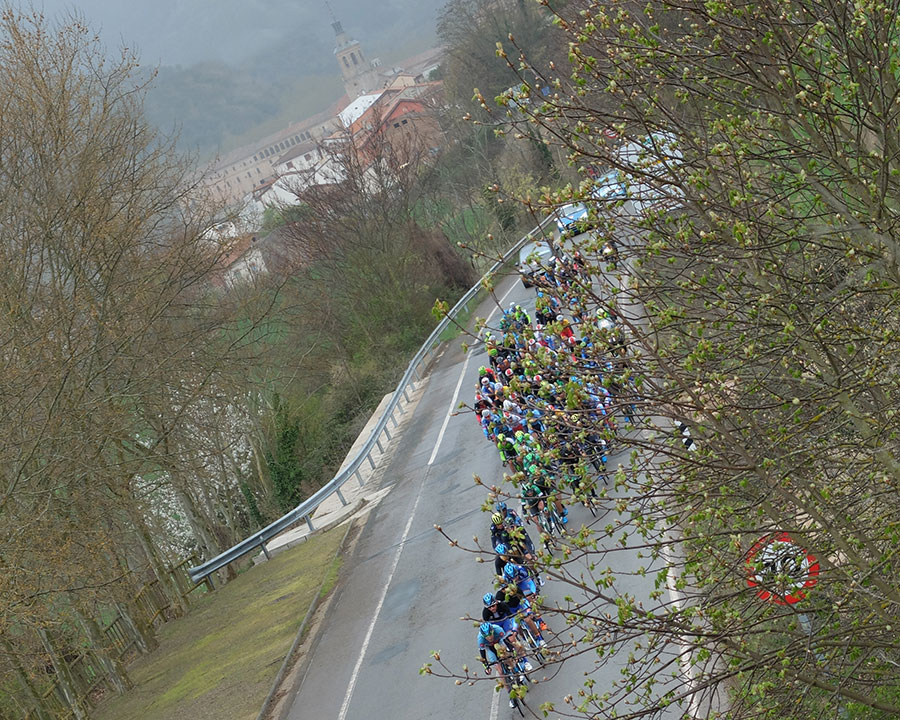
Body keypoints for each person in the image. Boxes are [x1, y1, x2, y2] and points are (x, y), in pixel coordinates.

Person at [478, 622, 528, 707]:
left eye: (490, 634)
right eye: (486, 636)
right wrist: (486, 667)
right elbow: (483, 655)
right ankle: (510, 694)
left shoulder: (498, 629)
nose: (489, 637)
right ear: (483, 636)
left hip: (500, 642)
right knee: (500, 671)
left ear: (492, 631)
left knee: (506, 657)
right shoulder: (480, 639)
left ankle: (516, 671)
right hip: (490, 648)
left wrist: (513, 652)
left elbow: (507, 642)